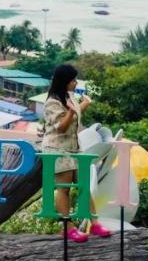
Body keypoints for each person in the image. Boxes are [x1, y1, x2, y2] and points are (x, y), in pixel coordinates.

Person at [40, 63, 110, 242]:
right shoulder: (52, 102)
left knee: (83, 186)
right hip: (57, 149)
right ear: (64, 81)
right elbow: (61, 127)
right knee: (64, 189)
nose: (76, 83)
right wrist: (71, 110)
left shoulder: (68, 96)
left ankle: (94, 224)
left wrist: (83, 104)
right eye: (73, 80)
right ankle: (67, 227)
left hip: (73, 147)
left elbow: (74, 115)